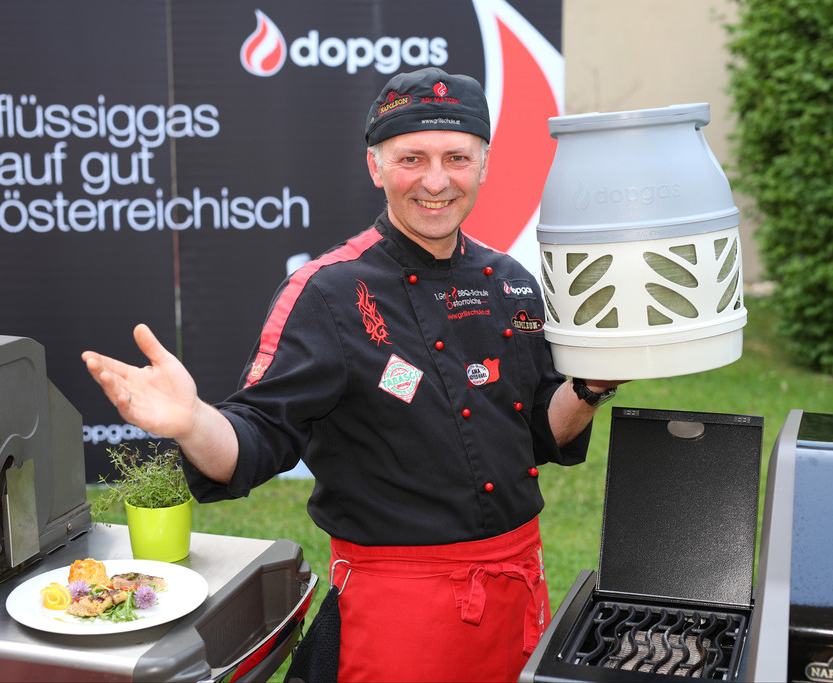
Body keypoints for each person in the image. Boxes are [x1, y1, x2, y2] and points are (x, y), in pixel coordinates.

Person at [82, 67, 621, 682]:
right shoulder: (328, 294)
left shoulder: (513, 283)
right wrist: (194, 420)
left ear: (485, 163)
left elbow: (539, 434)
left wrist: (589, 386)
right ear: (376, 167)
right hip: (399, 610)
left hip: (518, 587)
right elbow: (255, 438)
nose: (436, 181)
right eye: (411, 158)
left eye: (457, 157)